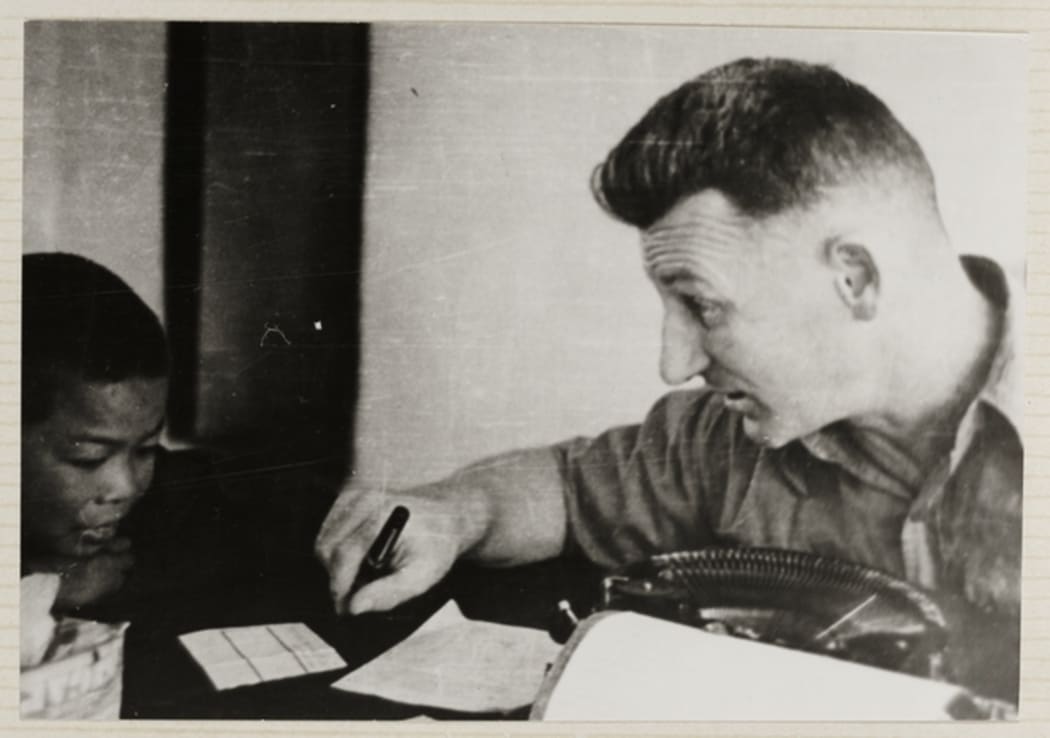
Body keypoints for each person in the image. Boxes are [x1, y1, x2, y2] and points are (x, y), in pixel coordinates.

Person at [316, 58, 1020, 662]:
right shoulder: (732, 440)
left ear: (855, 278)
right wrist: (453, 511)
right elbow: (566, 487)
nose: (674, 363)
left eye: (702, 306)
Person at [21, 252, 169, 612]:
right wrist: (46, 591)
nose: (126, 487)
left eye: (146, 449)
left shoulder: (173, 498)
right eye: (89, 458)